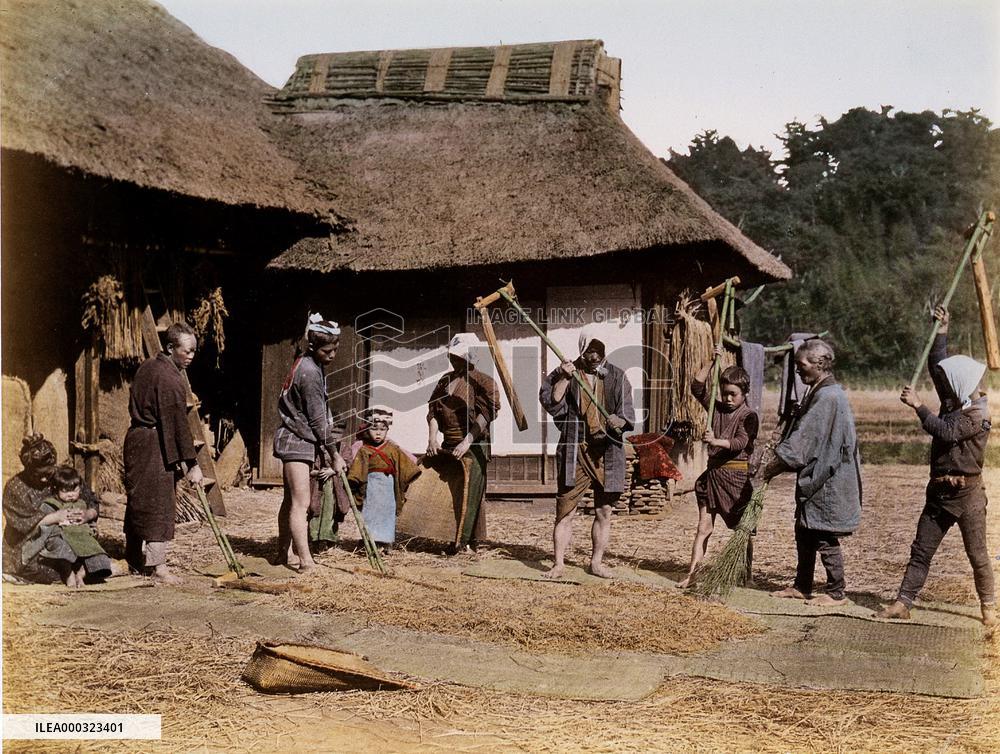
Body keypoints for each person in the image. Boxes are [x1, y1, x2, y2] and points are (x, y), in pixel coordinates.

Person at [875, 307, 995, 626]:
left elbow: (946, 431)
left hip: (967, 496)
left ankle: (989, 608)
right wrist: (942, 329)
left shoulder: (978, 415)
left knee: (978, 556)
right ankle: (903, 602)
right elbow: (936, 367)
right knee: (921, 551)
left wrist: (918, 406)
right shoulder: (954, 400)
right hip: (939, 493)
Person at [762, 339, 862, 606]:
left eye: (801, 365)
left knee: (823, 534)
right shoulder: (819, 391)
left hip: (828, 477)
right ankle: (802, 585)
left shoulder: (828, 397)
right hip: (821, 473)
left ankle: (836, 592)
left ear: (820, 364)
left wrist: (772, 467)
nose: (798, 371)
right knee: (804, 530)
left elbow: (803, 442)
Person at [539, 328, 635, 579]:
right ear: (583, 351)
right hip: (576, 450)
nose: (594, 357)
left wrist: (619, 420)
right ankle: (559, 564)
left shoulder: (617, 376)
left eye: (598, 352)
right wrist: (564, 377)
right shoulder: (568, 370)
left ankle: (596, 563)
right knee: (566, 510)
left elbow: (626, 415)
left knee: (604, 511)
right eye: (590, 351)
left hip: (606, 451)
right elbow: (551, 402)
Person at [124, 322, 203, 585]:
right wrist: (191, 463)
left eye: (194, 351)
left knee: (138, 498)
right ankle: (157, 566)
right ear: (170, 348)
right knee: (158, 502)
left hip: (136, 437)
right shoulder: (170, 379)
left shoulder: (148, 366)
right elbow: (177, 425)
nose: (191, 356)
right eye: (187, 351)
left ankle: (134, 556)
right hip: (153, 443)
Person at [677, 347, 759, 588]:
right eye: (725, 393)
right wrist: (712, 362)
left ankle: (747, 576)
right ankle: (692, 575)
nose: (728, 398)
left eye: (733, 394)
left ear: (745, 393)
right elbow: (696, 387)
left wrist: (715, 441)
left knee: (742, 531)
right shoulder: (716, 406)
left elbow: (740, 443)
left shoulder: (749, 416)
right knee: (703, 527)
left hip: (735, 479)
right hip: (712, 477)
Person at [274, 313, 347, 572]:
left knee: (290, 501)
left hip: (295, 438)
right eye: (328, 350)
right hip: (297, 440)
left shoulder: (306, 363)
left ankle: (284, 552)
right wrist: (335, 455)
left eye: (336, 349)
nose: (332, 354)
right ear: (314, 346)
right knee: (301, 504)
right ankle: (305, 561)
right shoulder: (310, 373)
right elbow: (318, 422)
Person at [426, 333, 501, 550]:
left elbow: (485, 415)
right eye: (452, 356)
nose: (454, 361)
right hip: (448, 444)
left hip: (473, 444)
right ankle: (460, 536)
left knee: (471, 492)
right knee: (454, 494)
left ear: (469, 358)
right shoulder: (444, 381)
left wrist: (467, 442)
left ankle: (462, 541)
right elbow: (433, 411)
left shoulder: (484, 382)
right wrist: (432, 439)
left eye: (459, 357)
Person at [3, 435, 107, 585]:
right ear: (28, 468)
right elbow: (23, 524)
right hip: (29, 546)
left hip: (69, 538)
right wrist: (56, 517)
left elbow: (91, 501)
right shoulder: (15, 487)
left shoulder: (62, 476)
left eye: (48, 473)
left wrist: (87, 514)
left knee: (90, 560)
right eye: (38, 474)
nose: (45, 479)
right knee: (47, 571)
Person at [347, 406, 421, 552]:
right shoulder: (363, 449)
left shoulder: (393, 448)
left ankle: (386, 543)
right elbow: (356, 471)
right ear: (367, 430)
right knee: (370, 513)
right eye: (374, 429)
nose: (378, 432)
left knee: (387, 513)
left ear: (387, 431)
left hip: (388, 487)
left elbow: (408, 464)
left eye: (382, 429)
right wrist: (355, 483)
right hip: (370, 486)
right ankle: (369, 543)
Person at [26, 466, 110, 587]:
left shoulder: (82, 504)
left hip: (82, 538)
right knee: (61, 550)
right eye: (65, 491)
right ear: (56, 489)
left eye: (74, 490)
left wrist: (91, 525)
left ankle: (80, 575)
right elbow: (39, 522)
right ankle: (68, 573)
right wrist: (56, 519)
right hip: (61, 536)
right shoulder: (50, 504)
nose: (70, 495)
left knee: (101, 557)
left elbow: (91, 520)